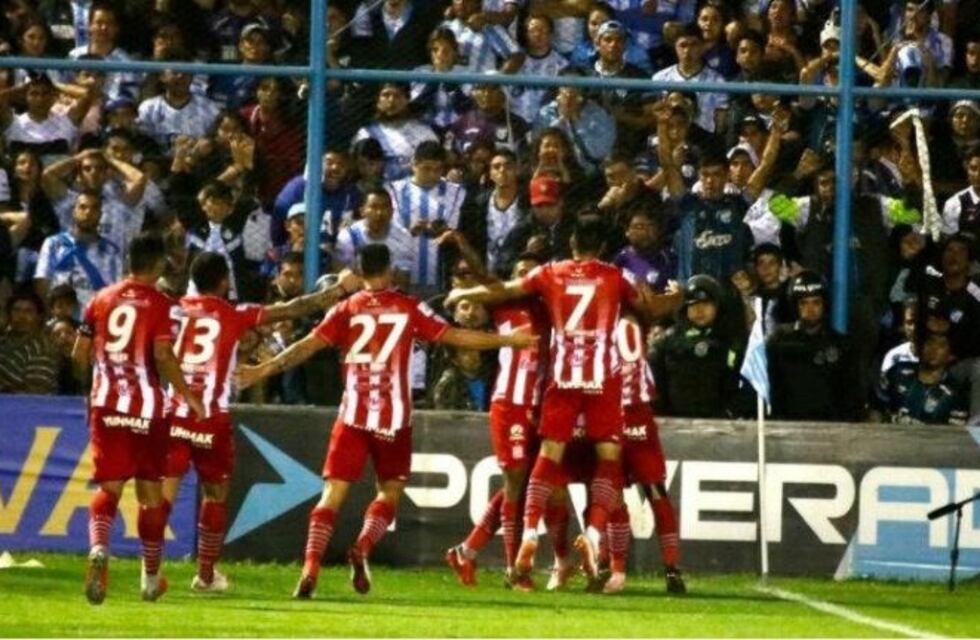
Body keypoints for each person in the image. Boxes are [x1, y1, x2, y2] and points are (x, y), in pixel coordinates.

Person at [235, 243, 536, 597]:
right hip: (394, 419)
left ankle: (310, 567)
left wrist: (263, 369)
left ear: (359, 273)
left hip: (353, 415)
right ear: (390, 270)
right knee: (389, 492)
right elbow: (454, 336)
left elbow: (307, 345)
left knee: (332, 494)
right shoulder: (409, 307)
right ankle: (362, 546)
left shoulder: (346, 308)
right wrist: (507, 340)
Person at [446, 215, 681, 590]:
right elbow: (649, 308)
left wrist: (465, 292)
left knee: (547, 458)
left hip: (562, 381)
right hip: (602, 381)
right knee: (607, 461)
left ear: (571, 244)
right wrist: (677, 296)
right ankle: (591, 535)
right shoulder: (613, 277)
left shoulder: (549, 275)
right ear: (602, 248)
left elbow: (503, 288)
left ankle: (528, 537)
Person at [160, 252, 360, 592]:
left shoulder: (173, 310)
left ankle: (149, 570)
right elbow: (294, 308)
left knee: (163, 492)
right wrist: (338, 290)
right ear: (224, 282)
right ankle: (206, 575)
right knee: (215, 494)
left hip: (173, 412)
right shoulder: (235, 313)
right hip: (211, 416)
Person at [71, 233, 205, 605]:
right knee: (150, 494)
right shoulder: (162, 304)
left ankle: (99, 547)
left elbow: (79, 353)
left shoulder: (100, 299)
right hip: (146, 409)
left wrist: (95, 386)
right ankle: (149, 578)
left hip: (106, 404)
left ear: (129, 260)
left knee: (108, 487)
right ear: (158, 263)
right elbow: (162, 354)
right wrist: (188, 396)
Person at [445, 251, 550, 585]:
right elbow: (484, 279)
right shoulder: (504, 308)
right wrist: (462, 251)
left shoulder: (553, 311)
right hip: (511, 405)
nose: (523, 279)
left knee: (521, 484)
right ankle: (513, 570)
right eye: (518, 272)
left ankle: (467, 550)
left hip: (538, 407)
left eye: (529, 274)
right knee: (517, 485)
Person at [767, 271, 863, 422]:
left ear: (824, 304)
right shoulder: (779, 341)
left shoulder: (842, 344)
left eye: (816, 302)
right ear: (795, 305)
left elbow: (851, 395)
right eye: (804, 303)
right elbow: (772, 386)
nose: (810, 309)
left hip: (832, 432)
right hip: (788, 429)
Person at [651, 275, 744, 418]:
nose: (699, 310)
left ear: (717, 306)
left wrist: (730, 412)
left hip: (721, 425)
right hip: (675, 424)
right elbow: (656, 385)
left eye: (706, 304)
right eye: (693, 305)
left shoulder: (731, 340)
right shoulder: (668, 342)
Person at [874, 331, 968, 425]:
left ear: (951, 356)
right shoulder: (897, 372)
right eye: (929, 342)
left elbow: (955, 434)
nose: (933, 348)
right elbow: (875, 409)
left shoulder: (956, 392)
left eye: (941, 345)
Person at [0, 289, 58, 394]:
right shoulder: (3, 340)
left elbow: (34, 394)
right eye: (16, 310)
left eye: (28, 311)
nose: (21, 316)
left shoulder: (41, 350)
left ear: (39, 317)